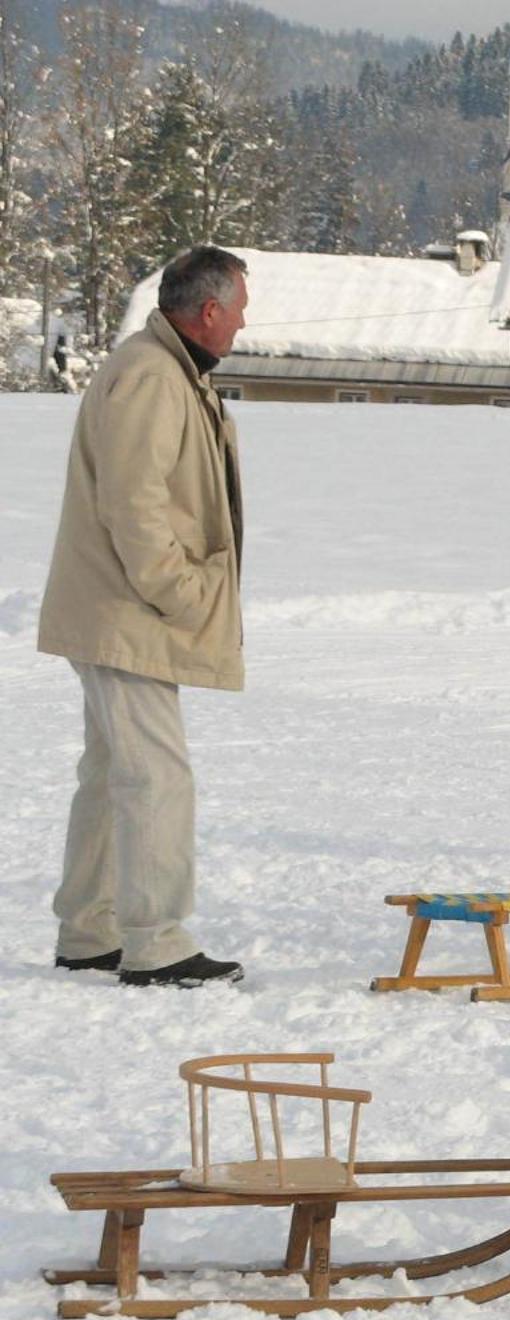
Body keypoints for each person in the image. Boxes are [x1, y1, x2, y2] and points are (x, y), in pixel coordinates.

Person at [37, 245, 250, 987]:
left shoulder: (163, 369)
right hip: (126, 610)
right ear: (211, 310)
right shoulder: (153, 376)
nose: (244, 324)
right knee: (156, 775)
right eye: (241, 309)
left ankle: (89, 929)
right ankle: (156, 941)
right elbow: (134, 507)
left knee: (111, 772)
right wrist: (182, 594)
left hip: (115, 606)